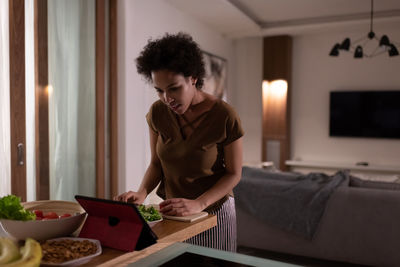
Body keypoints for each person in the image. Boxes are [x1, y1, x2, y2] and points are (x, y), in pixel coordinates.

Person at [114, 32, 244, 252]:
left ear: (193, 78)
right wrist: (142, 193)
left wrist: (199, 204)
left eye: (174, 88)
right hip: (173, 214)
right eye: (159, 90)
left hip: (214, 213)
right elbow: (156, 164)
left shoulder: (224, 115)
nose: (167, 98)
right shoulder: (158, 113)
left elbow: (234, 173)